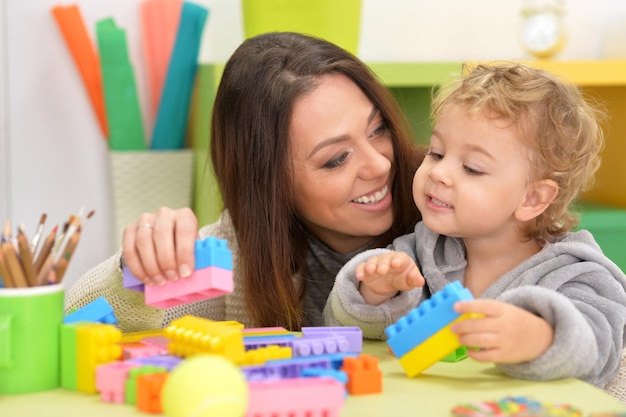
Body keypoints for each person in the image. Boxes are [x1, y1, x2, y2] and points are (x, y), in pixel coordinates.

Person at [65, 31, 426, 332]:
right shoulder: (239, 254)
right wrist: (136, 271)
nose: (379, 164)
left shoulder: (450, 196)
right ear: (270, 184)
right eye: (336, 159)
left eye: (378, 129)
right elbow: (73, 319)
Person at [324, 62, 626, 389]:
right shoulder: (417, 254)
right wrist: (373, 294)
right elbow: (345, 328)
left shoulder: (576, 274)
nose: (439, 173)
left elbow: (603, 348)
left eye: (471, 168)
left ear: (533, 198)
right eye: (437, 153)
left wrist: (541, 336)